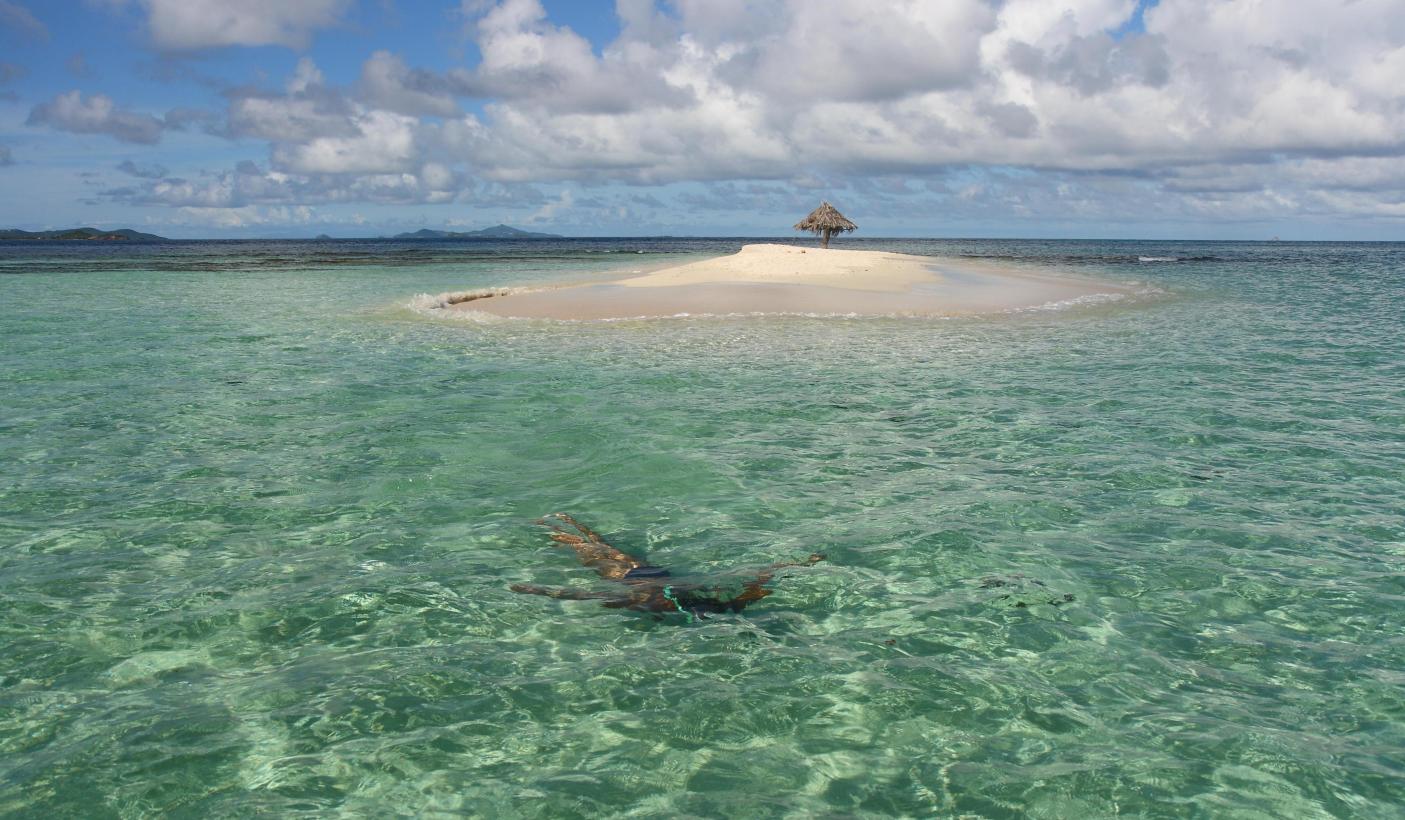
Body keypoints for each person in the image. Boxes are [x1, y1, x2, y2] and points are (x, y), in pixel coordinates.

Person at [510, 513, 825, 622]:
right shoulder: (642, 600)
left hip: (654, 573)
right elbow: (584, 595)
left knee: (601, 545)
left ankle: (564, 521)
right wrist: (538, 590)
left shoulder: (724, 605)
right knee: (590, 549)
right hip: (628, 577)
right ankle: (558, 527)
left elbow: (759, 582)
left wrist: (796, 565)